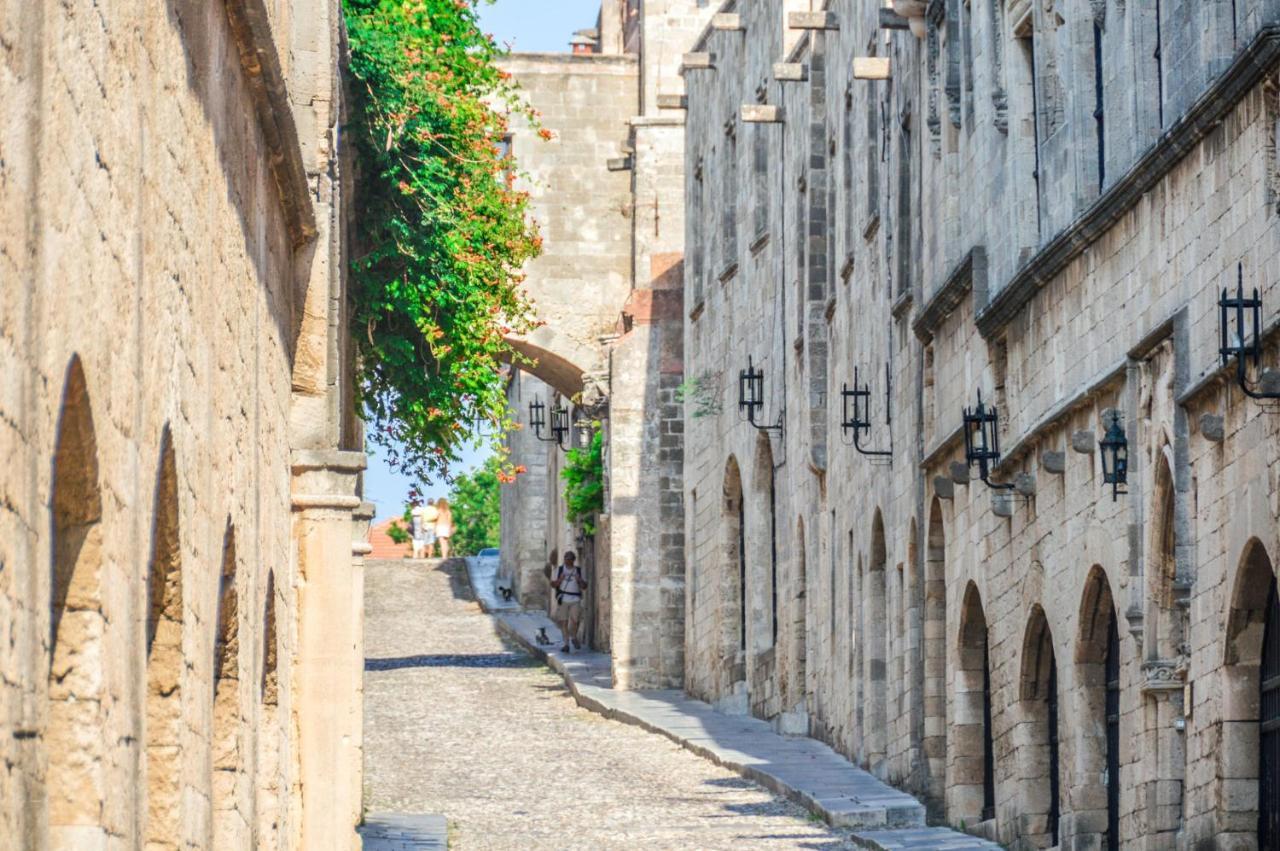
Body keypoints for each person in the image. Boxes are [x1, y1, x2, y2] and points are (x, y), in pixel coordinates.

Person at [551, 550, 587, 653]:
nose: (567, 561)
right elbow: (553, 585)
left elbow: (585, 587)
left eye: (570, 559)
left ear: (573, 560)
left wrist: (579, 580)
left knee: (575, 620)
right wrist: (560, 580)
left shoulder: (579, 571)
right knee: (564, 622)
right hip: (563, 598)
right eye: (566, 559)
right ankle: (566, 644)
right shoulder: (559, 570)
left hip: (575, 599)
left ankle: (574, 636)